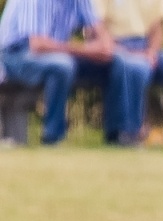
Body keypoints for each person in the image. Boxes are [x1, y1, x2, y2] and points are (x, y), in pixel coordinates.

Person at [0, 0, 122, 145]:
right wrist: (88, 49)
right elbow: (38, 45)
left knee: (117, 62)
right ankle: (52, 137)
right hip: (14, 56)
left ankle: (119, 135)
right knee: (62, 65)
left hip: (56, 53)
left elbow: (103, 39)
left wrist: (104, 47)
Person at [93, 0, 163, 145]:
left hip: (146, 46)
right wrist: (130, 53)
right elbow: (98, 29)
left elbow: (158, 28)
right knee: (137, 68)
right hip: (116, 47)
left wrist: (151, 52)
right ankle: (131, 132)